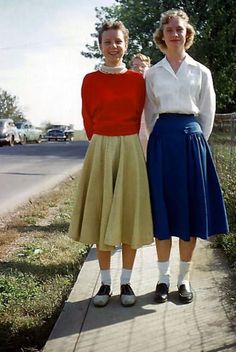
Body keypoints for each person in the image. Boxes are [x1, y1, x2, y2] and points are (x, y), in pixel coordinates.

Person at [144, 9, 229, 304]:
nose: (175, 34)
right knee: (164, 212)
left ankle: (184, 279)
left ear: (187, 33)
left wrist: (195, 143)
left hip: (192, 143)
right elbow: (150, 114)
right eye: (169, 30)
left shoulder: (201, 71)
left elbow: (207, 113)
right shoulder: (152, 72)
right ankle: (163, 279)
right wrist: (157, 144)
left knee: (189, 212)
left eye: (179, 29)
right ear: (162, 35)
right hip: (162, 143)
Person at [69, 21, 153, 307]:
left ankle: (126, 282)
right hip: (102, 147)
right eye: (108, 42)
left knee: (129, 215)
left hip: (130, 147)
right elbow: (88, 119)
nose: (113, 46)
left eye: (118, 41)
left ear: (126, 44)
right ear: (100, 45)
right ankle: (105, 283)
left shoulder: (138, 80)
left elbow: (146, 115)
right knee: (102, 213)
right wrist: (103, 142)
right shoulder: (89, 80)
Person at [130, 53, 151, 157]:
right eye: (135, 66)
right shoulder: (127, 86)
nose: (139, 68)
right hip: (133, 130)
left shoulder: (153, 85)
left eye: (143, 66)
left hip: (151, 128)